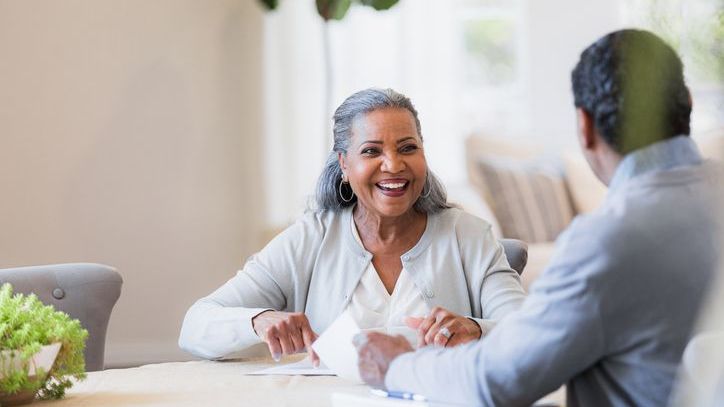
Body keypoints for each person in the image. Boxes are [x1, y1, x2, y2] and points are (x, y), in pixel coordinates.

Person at [354, 29, 723, 406]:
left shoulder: (607, 242)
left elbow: (497, 381)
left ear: (585, 126)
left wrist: (398, 365)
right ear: (688, 105)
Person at [179, 88, 526, 364]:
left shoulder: (469, 235)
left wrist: (476, 330)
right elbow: (195, 326)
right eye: (371, 151)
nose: (393, 164)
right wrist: (259, 320)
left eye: (408, 148)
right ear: (344, 164)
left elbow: (528, 332)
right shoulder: (310, 237)